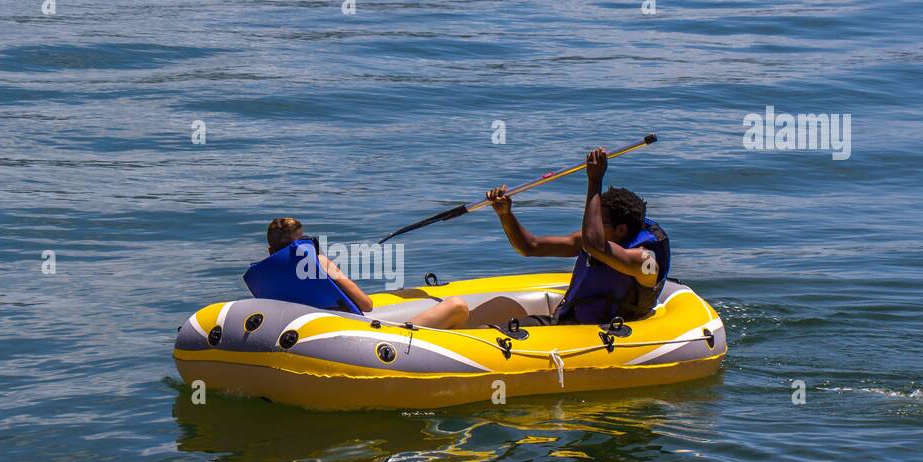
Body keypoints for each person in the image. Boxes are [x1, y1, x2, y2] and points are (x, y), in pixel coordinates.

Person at [486, 147, 669, 325]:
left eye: (598, 221)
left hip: (606, 335)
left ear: (620, 230)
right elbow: (529, 247)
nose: (592, 225)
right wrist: (505, 214)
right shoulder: (588, 242)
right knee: (488, 330)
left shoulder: (645, 261)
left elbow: (595, 246)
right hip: (567, 326)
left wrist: (595, 180)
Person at [245, 218, 469, 328]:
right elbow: (366, 304)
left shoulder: (265, 275)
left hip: (306, 333)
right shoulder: (319, 262)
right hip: (350, 335)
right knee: (456, 306)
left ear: (269, 250)